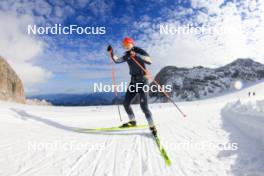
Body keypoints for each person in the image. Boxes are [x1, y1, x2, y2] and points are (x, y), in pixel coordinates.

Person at [107, 37, 157, 137]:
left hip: (143, 82)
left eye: (127, 44)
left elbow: (149, 61)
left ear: (131, 43)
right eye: (123, 45)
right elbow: (117, 60)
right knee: (126, 103)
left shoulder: (138, 50)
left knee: (144, 106)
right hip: (133, 82)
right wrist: (111, 53)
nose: (125, 46)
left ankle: (152, 126)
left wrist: (136, 55)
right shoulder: (127, 55)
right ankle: (132, 121)